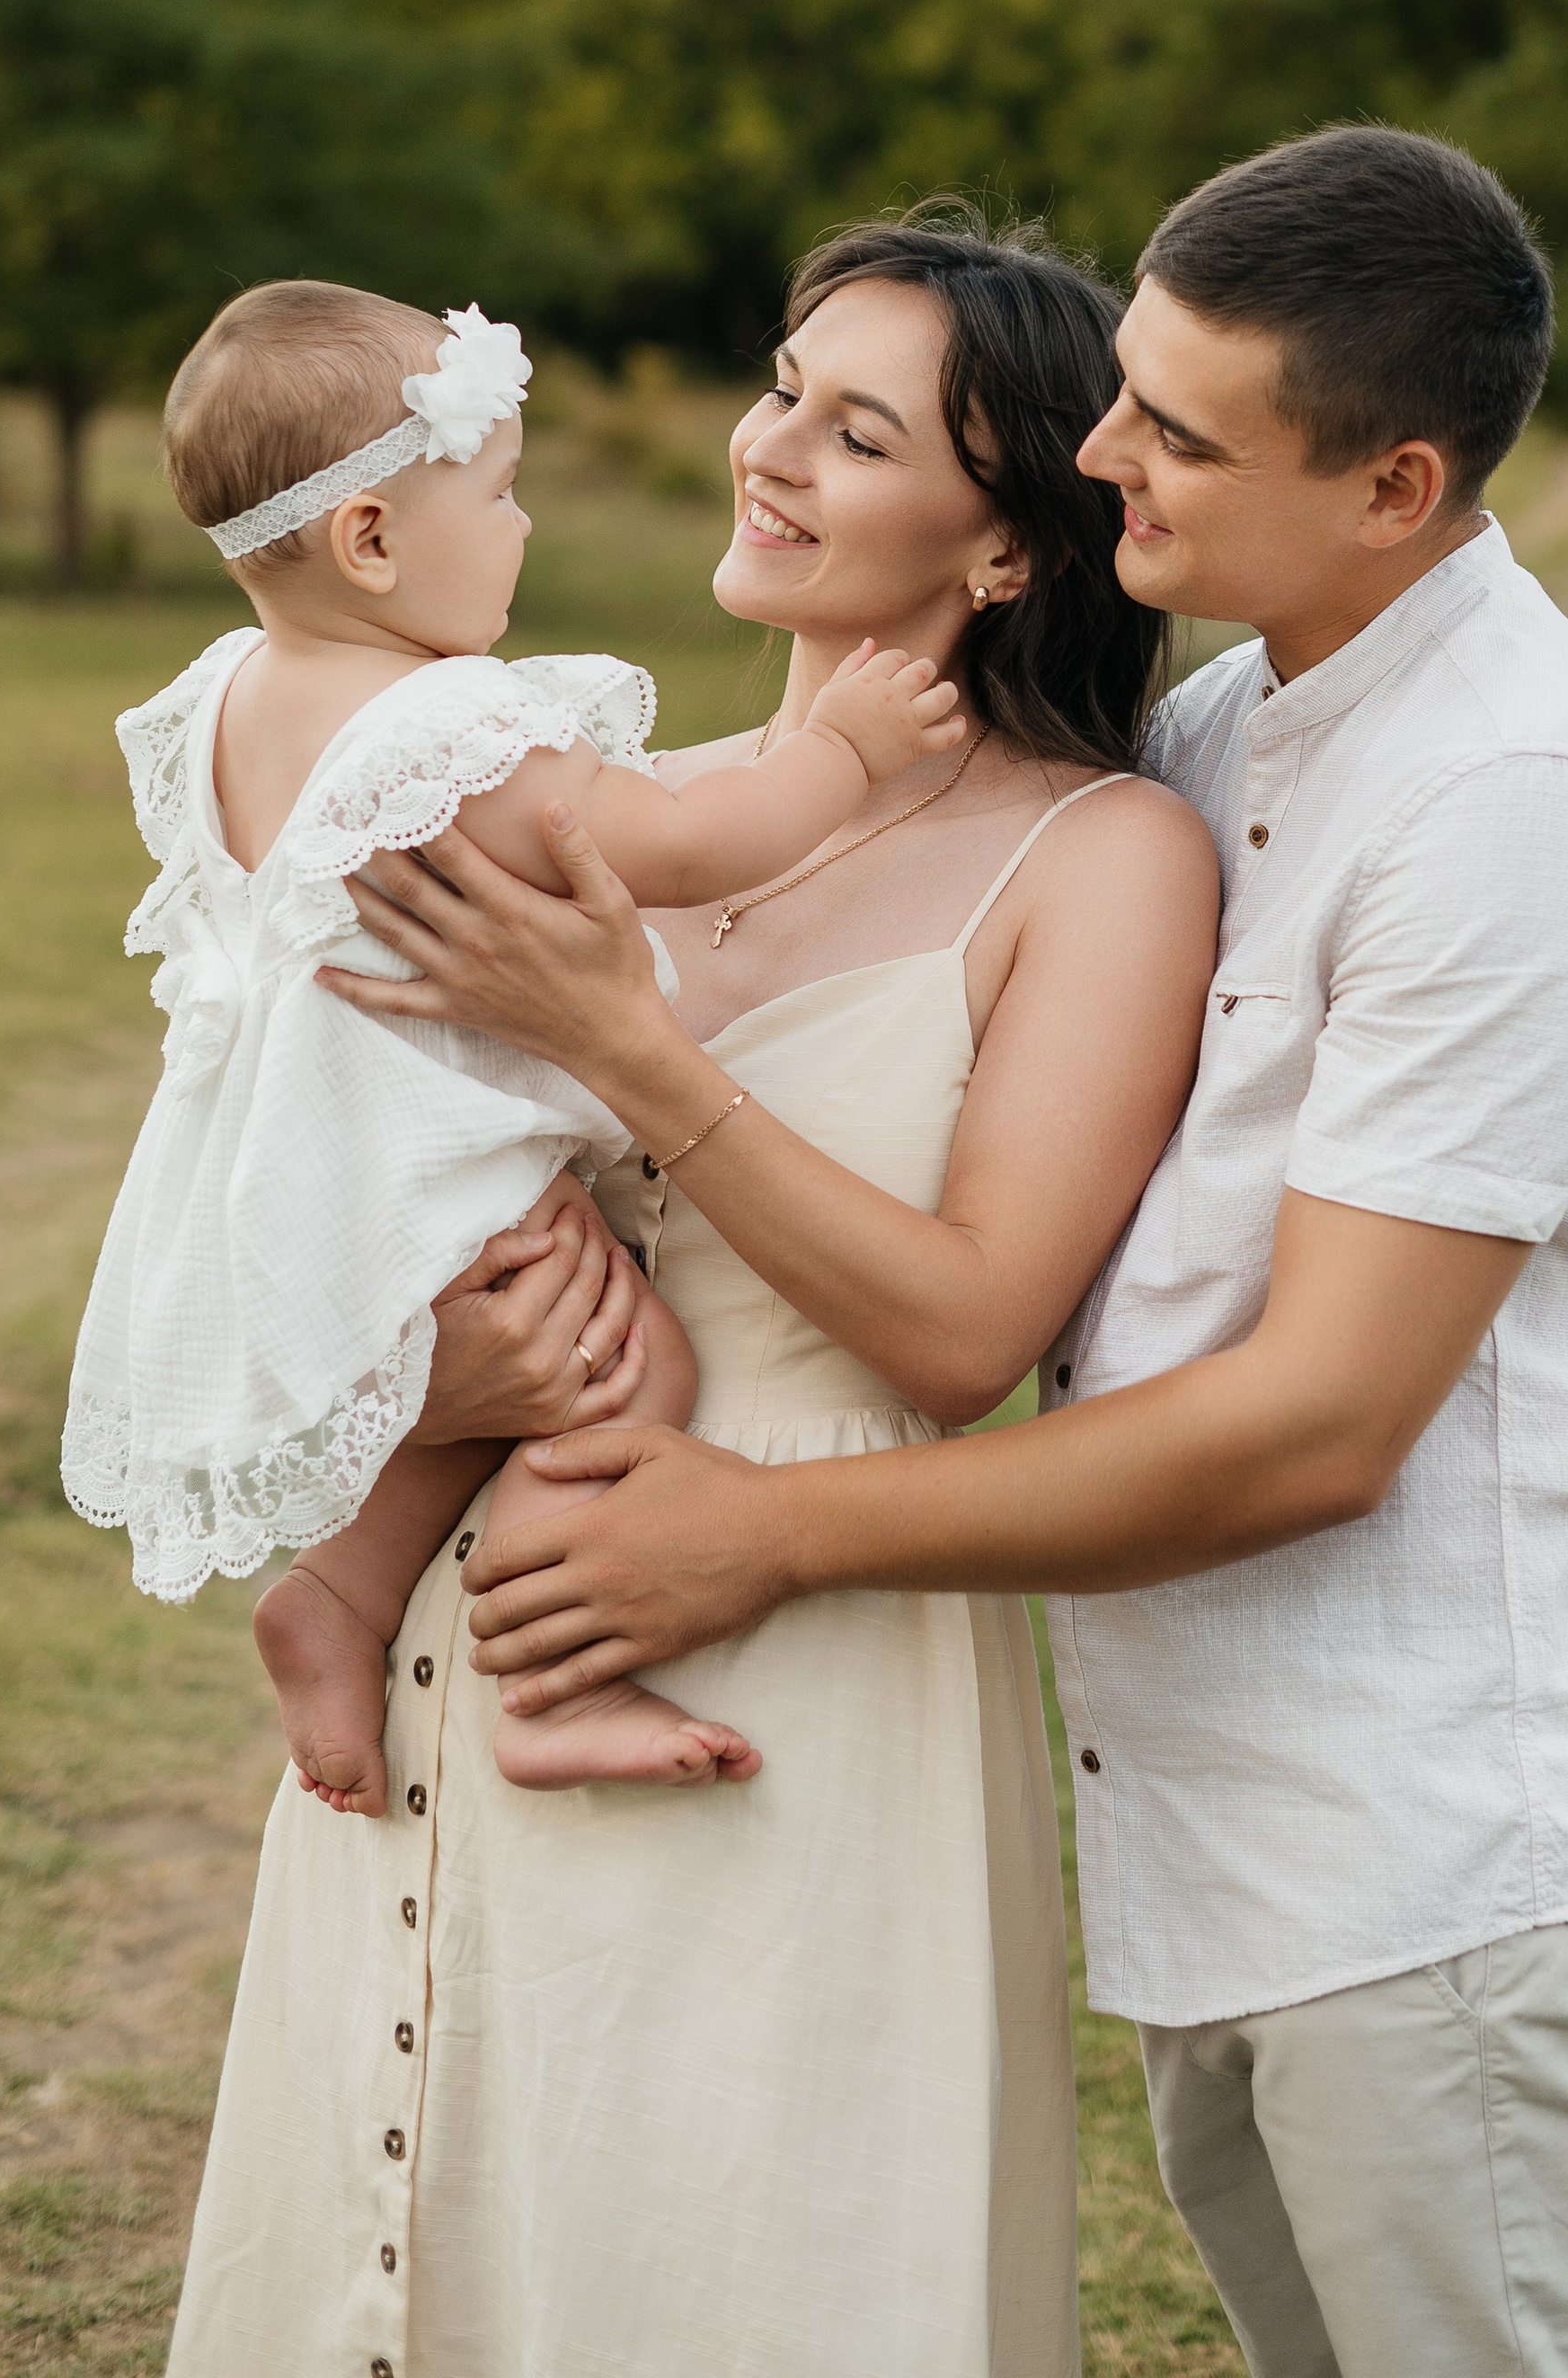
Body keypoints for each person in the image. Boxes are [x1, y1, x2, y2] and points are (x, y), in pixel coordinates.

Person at [341, 127, 1568, 2378]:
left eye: (1173, 429)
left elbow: (1316, 1420)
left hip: (1429, 1845)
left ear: (1390, 485)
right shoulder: (1213, 733)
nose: (1103, 455)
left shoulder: (1516, 813)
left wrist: (763, 1533)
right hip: (1195, 1820)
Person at [168, 216, 1218, 2378]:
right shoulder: (569, 798)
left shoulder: (1102, 858)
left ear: (1010, 546)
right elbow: (335, 1140)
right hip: (461, 1613)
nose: (771, 450)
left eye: (854, 430)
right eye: (779, 387)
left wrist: (633, 1052)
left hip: (796, 1676)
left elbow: (962, 1336)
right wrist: (428, 1357)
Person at [70, 279, 962, 1812]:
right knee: (631, 1362)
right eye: (497, 492)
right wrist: (847, 755)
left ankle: (339, 1597)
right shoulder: (440, 733)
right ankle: (558, 1680)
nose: (527, 527)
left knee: (519, 1371)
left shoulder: (230, 697)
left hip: (302, 1169)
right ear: (370, 539)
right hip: (429, 1149)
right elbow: (684, 839)